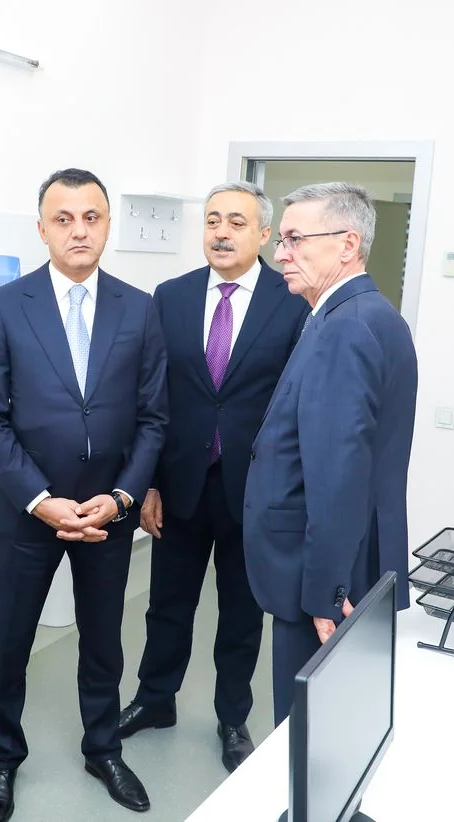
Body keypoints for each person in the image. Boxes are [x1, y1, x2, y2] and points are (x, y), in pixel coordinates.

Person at [0, 168, 168, 821]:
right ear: (42, 229)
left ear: (107, 224)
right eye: (64, 219)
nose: (78, 231)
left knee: (104, 640)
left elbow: (153, 419)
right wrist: (39, 498)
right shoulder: (6, 306)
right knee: (8, 643)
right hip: (27, 512)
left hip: (109, 512)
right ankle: (3, 757)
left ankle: (103, 749)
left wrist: (123, 497)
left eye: (91, 217)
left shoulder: (139, 309)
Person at [118, 182, 310, 771]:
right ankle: (156, 699)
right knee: (166, 604)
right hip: (180, 482)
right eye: (212, 221)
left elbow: (298, 404)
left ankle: (232, 717)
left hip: (252, 490)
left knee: (241, 613)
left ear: (265, 234)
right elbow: (151, 396)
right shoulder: (170, 296)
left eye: (236, 222)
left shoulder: (293, 300)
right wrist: (148, 482)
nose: (221, 232)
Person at [243, 182, 418, 726]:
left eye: (295, 239)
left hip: (321, 574)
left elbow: (338, 475)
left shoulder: (347, 327)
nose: (280, 253)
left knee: (308, 729)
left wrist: (325, 593)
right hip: (343, 560)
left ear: (348, 244)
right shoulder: (359, 314)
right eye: (282, 240)